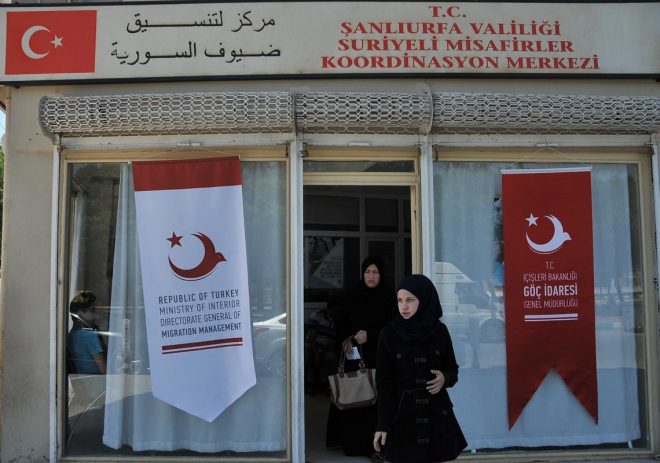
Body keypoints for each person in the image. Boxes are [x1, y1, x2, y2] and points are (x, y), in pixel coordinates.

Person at [373, 274, 467, 463]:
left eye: (410, 300)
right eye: (400, 300)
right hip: (402, 415)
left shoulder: (440, 331)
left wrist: (445, 378)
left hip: (436, 415)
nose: (404, 306)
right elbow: (384, 384)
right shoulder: (389, 334)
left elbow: (452, 369)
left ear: (424, 300)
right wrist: (382, 425)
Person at [326, 256, 396, 457]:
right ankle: (352, 444)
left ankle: (375, 446)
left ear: (381, 275)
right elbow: (340, 321)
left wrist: (371, 336)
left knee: (374, 398)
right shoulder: (353, 295)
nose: (371, 276)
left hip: (378, 356)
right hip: (354, 357)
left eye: (375, 272)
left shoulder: (388, 297)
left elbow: (393, 327)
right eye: (367, 272)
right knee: (354, 396)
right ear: (362, 274)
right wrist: (347, 339)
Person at [67, 291, 107, 374]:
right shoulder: (89, 336)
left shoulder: (71, 335)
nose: (95, 315)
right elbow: (104, 369)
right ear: (79, 314)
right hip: (96, 379)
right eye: (92, 311)